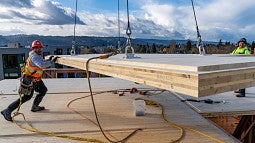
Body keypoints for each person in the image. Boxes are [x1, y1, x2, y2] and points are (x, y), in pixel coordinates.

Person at [1, 40, 59, 122]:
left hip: (36, 80)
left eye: (40, 48)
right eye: (37, 48)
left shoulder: (35, 55)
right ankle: (7, 110)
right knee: (26, 97)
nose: (39, 49)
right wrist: (51, 62)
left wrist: (47, 60)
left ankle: (35, 107)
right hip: (30, 81)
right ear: (34, 48)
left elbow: (41, 62)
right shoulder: (35, 57)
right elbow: (41, 65)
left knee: (43, 90)